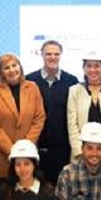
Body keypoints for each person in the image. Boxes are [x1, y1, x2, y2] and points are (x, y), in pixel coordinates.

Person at [0, 53, 46, 182]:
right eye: (6, 68)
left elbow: (39, 118)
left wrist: (25, 147)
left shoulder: (33, 87)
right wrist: (12, 150)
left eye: (14, 65)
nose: (12, 70)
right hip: (1, 156)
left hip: (27, 156)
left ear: (20, 67)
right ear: (1, 72)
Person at [25, 40, 79, 186]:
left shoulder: (72, 81)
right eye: (48, 54)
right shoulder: (30, 81)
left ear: (61, 55)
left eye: (56, 54)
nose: (52, 57)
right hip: (37, 147)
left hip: (62, 149)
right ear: (42, 55)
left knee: (62, 189)